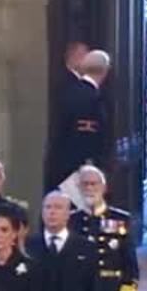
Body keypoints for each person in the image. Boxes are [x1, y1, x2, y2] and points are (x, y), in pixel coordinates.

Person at [46, 50, 111, 193]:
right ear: (105, 71)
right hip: (79, 173)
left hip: (58, 165)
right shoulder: (92, 98)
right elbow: (88, 139)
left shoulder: (67, 91)